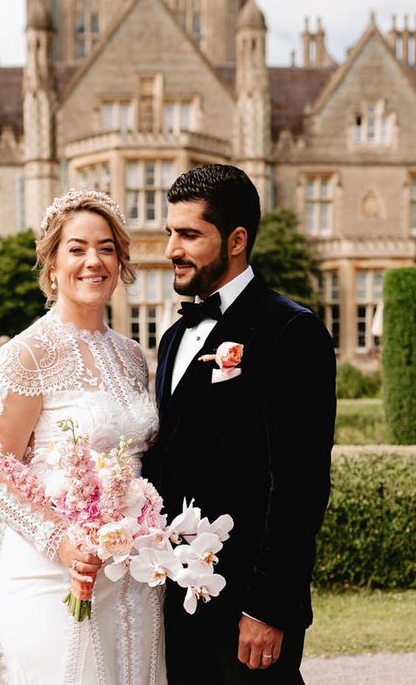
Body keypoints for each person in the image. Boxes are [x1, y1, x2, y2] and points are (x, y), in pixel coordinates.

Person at [143, 165, 336, 684]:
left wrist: (268, 608)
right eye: (170, 233)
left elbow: (301, 483)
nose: (171, 250)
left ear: (236, 240)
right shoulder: (172, 339)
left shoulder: (291, 331)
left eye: (188, 235)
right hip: (177, 599)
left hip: (249, 611)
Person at [0, 189, 166, 685]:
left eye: (106, 248)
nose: (92, 261)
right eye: (76, 248)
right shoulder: (29, 353)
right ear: (52, 264)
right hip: (53, 573)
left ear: (120, 262)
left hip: (133, 574)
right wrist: (58, 540)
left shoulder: (131, 356)